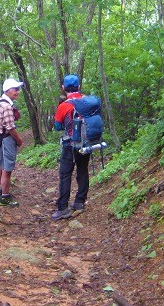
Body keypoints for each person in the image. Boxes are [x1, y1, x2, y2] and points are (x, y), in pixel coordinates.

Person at [51, 74, 90, 220]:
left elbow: (57, 127)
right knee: (82, 170)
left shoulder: (64, 106)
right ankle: (80, 202)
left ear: (63, 88)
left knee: (65, 174)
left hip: (69, 144)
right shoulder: (87, 101)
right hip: (86, 143)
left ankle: (62, 208)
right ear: (79, 87)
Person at [0, 78, 24, 207]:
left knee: (0, 165)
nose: (17, 92)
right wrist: (19, 140)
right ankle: (4, 197)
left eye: (18, 89)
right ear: (7, 90)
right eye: (15, 89)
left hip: (0, 139)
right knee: (7, 169)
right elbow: (10, 128)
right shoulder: (6, 106)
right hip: (6, 140)